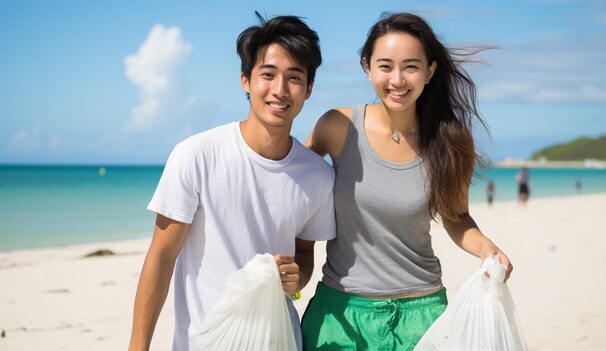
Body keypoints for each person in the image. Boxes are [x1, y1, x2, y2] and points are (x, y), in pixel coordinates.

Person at [301, 12, 513, 350]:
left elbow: (456, 217)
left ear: (429, 71)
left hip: (422, 314)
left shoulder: (451, 140)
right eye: (385, 66)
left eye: (410, 67)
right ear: (367, 66)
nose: (397, 79)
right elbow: (293, 187)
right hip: (340, 313)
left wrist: (487, 248)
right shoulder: (337, 127)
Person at [128, 13, 336, 351]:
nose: (279, 90)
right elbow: (161, 258)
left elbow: (303, 253)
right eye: (267, 75)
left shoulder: (318, 176)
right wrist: (138, 347)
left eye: (294, 77)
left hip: (280, 341)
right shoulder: (196, 155)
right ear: (245, 80)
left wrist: (297, 280)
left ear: (309, 88)